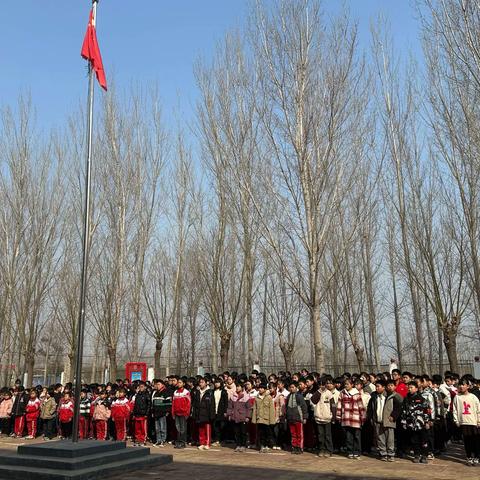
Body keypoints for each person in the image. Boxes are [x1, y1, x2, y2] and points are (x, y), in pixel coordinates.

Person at [367, 380, 402, 462]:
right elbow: (370, 408)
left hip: (388, 421)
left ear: (383, 387)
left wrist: (393, 416)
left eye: (378, 386)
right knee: (380, 438)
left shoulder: (391, 396)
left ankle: (391, 454)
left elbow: (398, 407)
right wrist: (371, 417)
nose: (377, 388)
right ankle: (383, 454)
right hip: (377, 420)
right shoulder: (374, 396)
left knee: (390, 438)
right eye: (376, 386)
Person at [400, 381, 430, 464]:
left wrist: (427, 421)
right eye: (408, 388)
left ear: (416, 389)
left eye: (411, 388)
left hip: (421, 424)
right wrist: (404, 422)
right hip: (411, 424)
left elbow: (426, 411)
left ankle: (424, 455)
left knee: (424, 440)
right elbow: (404, 411)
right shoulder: (406, 399)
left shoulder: (422, 399)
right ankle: (417, 455)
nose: (409, 389)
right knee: (414, 440)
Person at [336, 378, 366, 459]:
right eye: (345, 384)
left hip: (356, 419)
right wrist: (338, 416)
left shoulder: (357, 394)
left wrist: (363, 417)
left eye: (348, 384)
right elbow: (339, 405)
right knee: (348, 436)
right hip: (346, 418)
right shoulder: (342, 393)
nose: (346, 385)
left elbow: (361, 406)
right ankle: (350, 451)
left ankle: (357, 451)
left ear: (352, 385)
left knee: (357, 436)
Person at [453, 378, 480, 466]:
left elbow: (478, 410)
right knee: (467, 441)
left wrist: (479, 421)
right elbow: (455, 410)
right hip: (463, 422)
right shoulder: (457, 397)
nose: (461, 386)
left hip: (473, 422)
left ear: (467, 386)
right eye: (460, 385)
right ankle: (469, 457)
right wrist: (456, 420)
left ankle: (476, 457)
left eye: (463, 384)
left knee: (475, 440)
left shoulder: (473, 397)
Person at [311, 378, 335, 457]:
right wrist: (319, 392)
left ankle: (329, 450)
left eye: (323, 384)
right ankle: (322, 449)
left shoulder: (329, 393)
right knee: (320, 435)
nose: (322, 386)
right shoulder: (317, 393)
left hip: (327, 418)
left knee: (328, 435)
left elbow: (333, 406)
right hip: (319, 417)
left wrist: (333, 417)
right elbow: (313, 400)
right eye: (320, 385)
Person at [227, 383, 252, 452]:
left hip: (243, 417)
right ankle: (238, 445)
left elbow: (249, 408)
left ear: (242, 388)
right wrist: (229, 414)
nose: (237, 388)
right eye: (237, 386)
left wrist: (248, 416)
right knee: (236, 432)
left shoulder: (246, 397)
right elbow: (229, 407)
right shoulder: (233, 396)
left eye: (239, 386)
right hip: (235, 417)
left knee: (243, 432)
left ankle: (243, 445)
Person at [251, 383, 275, 453]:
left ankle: (267, 446)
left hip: (266, 419)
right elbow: (255, 409)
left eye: (262, 388)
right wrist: (254, 419)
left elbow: (272, 410)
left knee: (267, 433)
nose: (260, 389)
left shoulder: (269, 397)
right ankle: (262, 446)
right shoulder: (256, 398)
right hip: (259, 419)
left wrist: (272, 421)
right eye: (259, 388)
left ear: (265, 389)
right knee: (260, 433)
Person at [192, 377, 215, 450]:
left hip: (207, 414)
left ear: (206, 383)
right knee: (201, 429)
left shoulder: (210, 392)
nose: (201, 384)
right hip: (199, 413)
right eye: (200, 382)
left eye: (202, 382)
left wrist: (212, 414)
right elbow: (195, 404)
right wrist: (194, 413)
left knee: (207, 429)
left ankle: (207, 443)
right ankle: (202, 442)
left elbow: (212, 405)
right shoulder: (197, 392)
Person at [286, 381, 308, 455]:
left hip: (298, 418)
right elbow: (286, 408)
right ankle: (294, 446)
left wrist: (305, 417)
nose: (291, 389)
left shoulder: (299, 396)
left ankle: (300, 447)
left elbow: (304, 407)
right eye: (290, 387)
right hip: (290, 418)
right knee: (293, 434)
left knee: (299, 434)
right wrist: (287, 417)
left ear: (296, 388)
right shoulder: (288, 396)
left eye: (293, 387)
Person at [151, 379, 172, 447]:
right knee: (157, 428)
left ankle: (163, 440)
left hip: (163, 413)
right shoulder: (156, 393)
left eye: (159, 384)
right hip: (156, 413)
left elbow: (168, 403)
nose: (157, 386)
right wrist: (153, 412)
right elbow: (153, 403)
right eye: (157, 384)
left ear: (162, 385)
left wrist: (167, 411)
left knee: (163, 428)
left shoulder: (166, 392)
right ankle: (158, 440)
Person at [172, 378, 191, 449]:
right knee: (178, 428)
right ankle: (178, 442)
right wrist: (173, 413)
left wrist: (187, 413)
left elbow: (188, 404)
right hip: (176, 413)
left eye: (180, 382)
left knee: (183, 429)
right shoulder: (175, 392)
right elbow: (173, 404)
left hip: (183, 413)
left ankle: (183, 442)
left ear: (183, 384)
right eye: (178, 382)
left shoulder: (186, 392)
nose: (178, 384)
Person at [132, 382, 151, 446]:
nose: (141, 388)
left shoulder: (147, 395)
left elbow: (149, 405)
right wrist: (134, 413)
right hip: (137, 414)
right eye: (140, 387)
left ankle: (143, 440)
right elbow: (135, 405)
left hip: (143, 414)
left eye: (142, 387)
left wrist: (146, 414)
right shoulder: (137, 395)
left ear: (145, 387)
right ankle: (137, 439)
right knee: (137, 428)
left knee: (143, 428)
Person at [211, 378, 228, 446]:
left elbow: (226, 402)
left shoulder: (224, 391)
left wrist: (225, 411)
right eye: (215, 382)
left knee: (222, 426)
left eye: (218, 382)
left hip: (221, 411)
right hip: (214, 411)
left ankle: (223, 440)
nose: (216, 384)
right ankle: (217, 440)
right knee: (215, 426)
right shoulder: (212, 391)